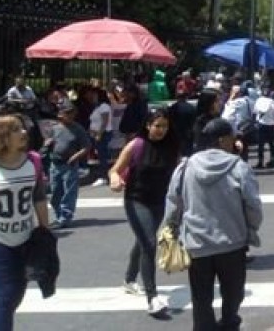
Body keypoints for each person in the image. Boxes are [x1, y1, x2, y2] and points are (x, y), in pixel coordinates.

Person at [164, 118, 263, 331]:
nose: (235, 142)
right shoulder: (239, 167)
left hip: (197, 244)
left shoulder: (185, 166)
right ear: (222, 140)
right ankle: (229, 323)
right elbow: (253, 205)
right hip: (232, 242)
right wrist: (251, 228)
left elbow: (173, 201)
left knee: (201, 298)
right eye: (232, 137)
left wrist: (170, 226)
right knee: (233, 293)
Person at [109, 107, 179, 317]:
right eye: (157, 125)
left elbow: (177, 174)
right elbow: (114, 170)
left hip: (160, 201)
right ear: (148, 126)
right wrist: (114, 178)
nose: (161, 130)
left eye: (164, 126)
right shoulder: (136, 145)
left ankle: (130, 279)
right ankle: (153, 298)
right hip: (136, 200)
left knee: (143, 241)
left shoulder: (173, 147)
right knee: (149, 243)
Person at [0, 115, 49, 331]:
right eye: (16, 130)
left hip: (25, 238)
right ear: (2, 136)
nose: (23, 133)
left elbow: (38, 196)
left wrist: (45, 231)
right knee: (6, 295)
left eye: (22, 129)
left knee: (17, 294)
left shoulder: (33, 161)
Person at [47, 100, 91, 229]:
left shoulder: (78, 129)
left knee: (69, 192)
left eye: (72, 113)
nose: (70, 116)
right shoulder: (54, 128)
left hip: (69, 164)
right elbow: (47, 143)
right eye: (67, 113)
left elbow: (86, 146)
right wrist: (48, 144)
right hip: (55, 164)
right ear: (61, 114)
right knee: (55, 192)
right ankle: (58, 215)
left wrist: (75, 156)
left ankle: (65, 217)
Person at [87, 87, 113, 187]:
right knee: (100, 155)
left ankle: (104, 177)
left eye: (94, 95)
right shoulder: (97, 107)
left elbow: (105, 121)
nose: (93, 97)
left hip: (102, 134)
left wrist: (99, 134)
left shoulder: (104, 106)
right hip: (96, 133)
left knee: (102, 156)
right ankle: (102, 175)